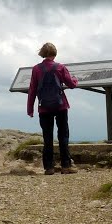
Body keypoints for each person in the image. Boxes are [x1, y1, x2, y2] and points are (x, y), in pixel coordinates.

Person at [27, 42, 79, 175]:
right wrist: (75, 80)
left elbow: (32, 89)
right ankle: (66, 166)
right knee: (63, 135)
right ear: (54, 54)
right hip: (60, 105)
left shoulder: (36, 69)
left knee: (47, 137)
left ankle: (49, 167)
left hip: (44, 107)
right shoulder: (60, 67)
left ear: (43, 54)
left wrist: (30, 108)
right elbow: (71, 84)